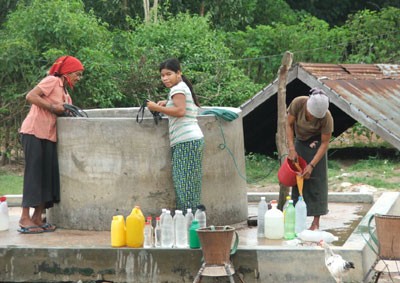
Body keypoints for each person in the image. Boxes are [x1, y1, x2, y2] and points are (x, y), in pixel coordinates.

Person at [18, 55, 84, 234]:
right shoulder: (52, 81)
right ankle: (24, 218)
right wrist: (53, 108)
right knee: (34, 174)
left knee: (47, 176)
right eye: (77, 74)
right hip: (34, 132)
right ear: (67, 73)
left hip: (48, 135)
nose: (79, 78)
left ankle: (37, 217)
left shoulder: (66, 94)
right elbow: (31, 96)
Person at [147, 58, 204, 212]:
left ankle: (188, 220)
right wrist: (167, 103)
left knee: (184, 184)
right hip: (190, 140)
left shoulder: (177, 89)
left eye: (169, 74)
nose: (165, 78)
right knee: (190, 183)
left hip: (186, 141)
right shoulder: (181, 87)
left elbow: (180, 111)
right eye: (162, 75)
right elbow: (181, 106)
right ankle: (192, 220)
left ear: (179, 73)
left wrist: (156, 108)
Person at [286, 88, 334, 230]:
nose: (313, 118)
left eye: (316, 116)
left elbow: (325, 142)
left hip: (317, 144)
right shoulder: (298, 103)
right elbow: (288, 124)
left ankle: (315, 222)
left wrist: (312, 165)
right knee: (298, 177)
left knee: (317, 181)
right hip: (300, 142)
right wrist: (291, 148)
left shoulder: (327, 118)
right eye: (311, 114)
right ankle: (294, 217)